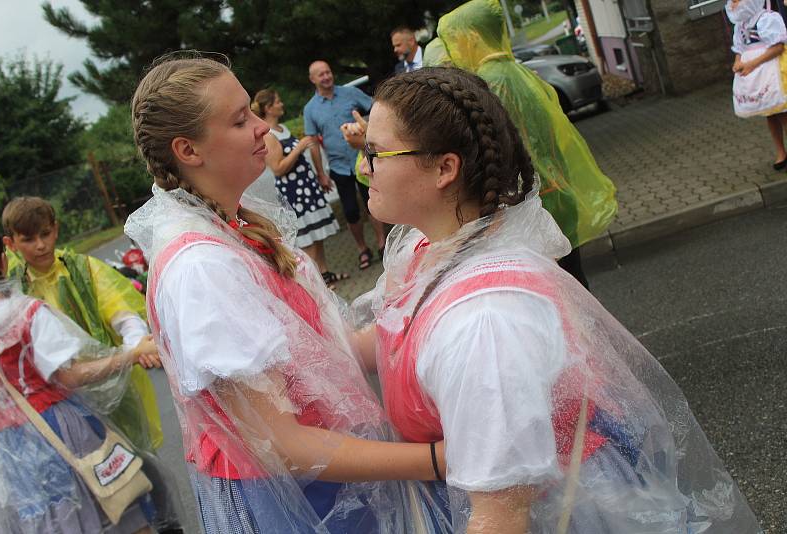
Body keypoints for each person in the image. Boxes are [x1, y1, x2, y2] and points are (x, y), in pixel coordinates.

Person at [351, 67, 761, 533]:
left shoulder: (486, 322)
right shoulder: (434, 246)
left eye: (375, 153)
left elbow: (501, 517)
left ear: (445, 168)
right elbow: (390, 334)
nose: (363, 168)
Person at [128, 53, 451, 534]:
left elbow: (339, 353)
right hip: (299, 502)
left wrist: (433, 286)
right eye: (240, 120)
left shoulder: (235, 229)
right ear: (188, 150)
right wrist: (435, 460)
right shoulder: (202, 267)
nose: (262, 128)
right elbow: (280, 444)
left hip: (332, 478)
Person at [1, 197, 183, 532]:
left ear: (56, 229)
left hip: (110, 391)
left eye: (45, 233)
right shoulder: (10, 289)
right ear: (10, 243)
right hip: (59, 408)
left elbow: (123, 313)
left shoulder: (83, 269)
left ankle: (168, 526)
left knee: (139, 470)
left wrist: (135, 346)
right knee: (88, 485)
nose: (40, 245)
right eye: (28, 239)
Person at [422, 0, 617, 289]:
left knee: (562, 293)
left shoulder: (492, 82)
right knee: (574, 283)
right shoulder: (516, 71)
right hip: (556, 197)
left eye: (454, 43)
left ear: (472, 38)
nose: (453, 53)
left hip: (537, 205)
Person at [252, 89, 346, 289]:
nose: (281, 104)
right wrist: (299, 148)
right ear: (268, 108)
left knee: (318, 233)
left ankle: (324, 274)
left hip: (306, 186)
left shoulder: (282, 128)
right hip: (294, 192)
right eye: (278, 101)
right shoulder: (269, 135)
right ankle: (316, 285)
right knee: (308, 238)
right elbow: (277, 168)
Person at [304, 60, 387, 268]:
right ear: (312, 79)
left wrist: (364, 127)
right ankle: (362, 249)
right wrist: (321, 174)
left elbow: (375, 109)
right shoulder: (310, 109)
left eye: (328, 72)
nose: (326, 77)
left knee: (373, 204)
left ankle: (382, 243)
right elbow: (313, 143)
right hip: (339, 167)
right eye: (321, 74)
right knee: (350, 211)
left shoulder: (350, 94)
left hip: (362, 161)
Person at [727, 0, 787, 169]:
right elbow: (739, 49)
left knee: (782, 112)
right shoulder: (740, 25)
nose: (733, 4)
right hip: (755, 74)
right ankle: (781, 151)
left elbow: (778, 47)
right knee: (769, 113)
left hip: (772, 70)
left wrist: (753, 63)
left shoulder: (766, 18)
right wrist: (738, 62)